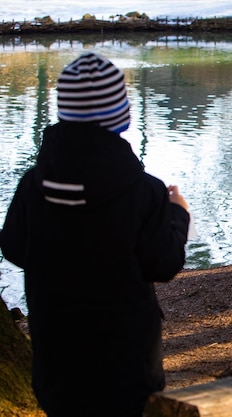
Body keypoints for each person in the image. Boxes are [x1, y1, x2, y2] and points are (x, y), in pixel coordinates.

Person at [0, 52, 190, 417]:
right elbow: (163, 263)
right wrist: (177, 214)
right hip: (127, 360)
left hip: (55, 356)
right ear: (121, 117)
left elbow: (12, 247)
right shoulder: (143, 191)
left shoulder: (33, 185)